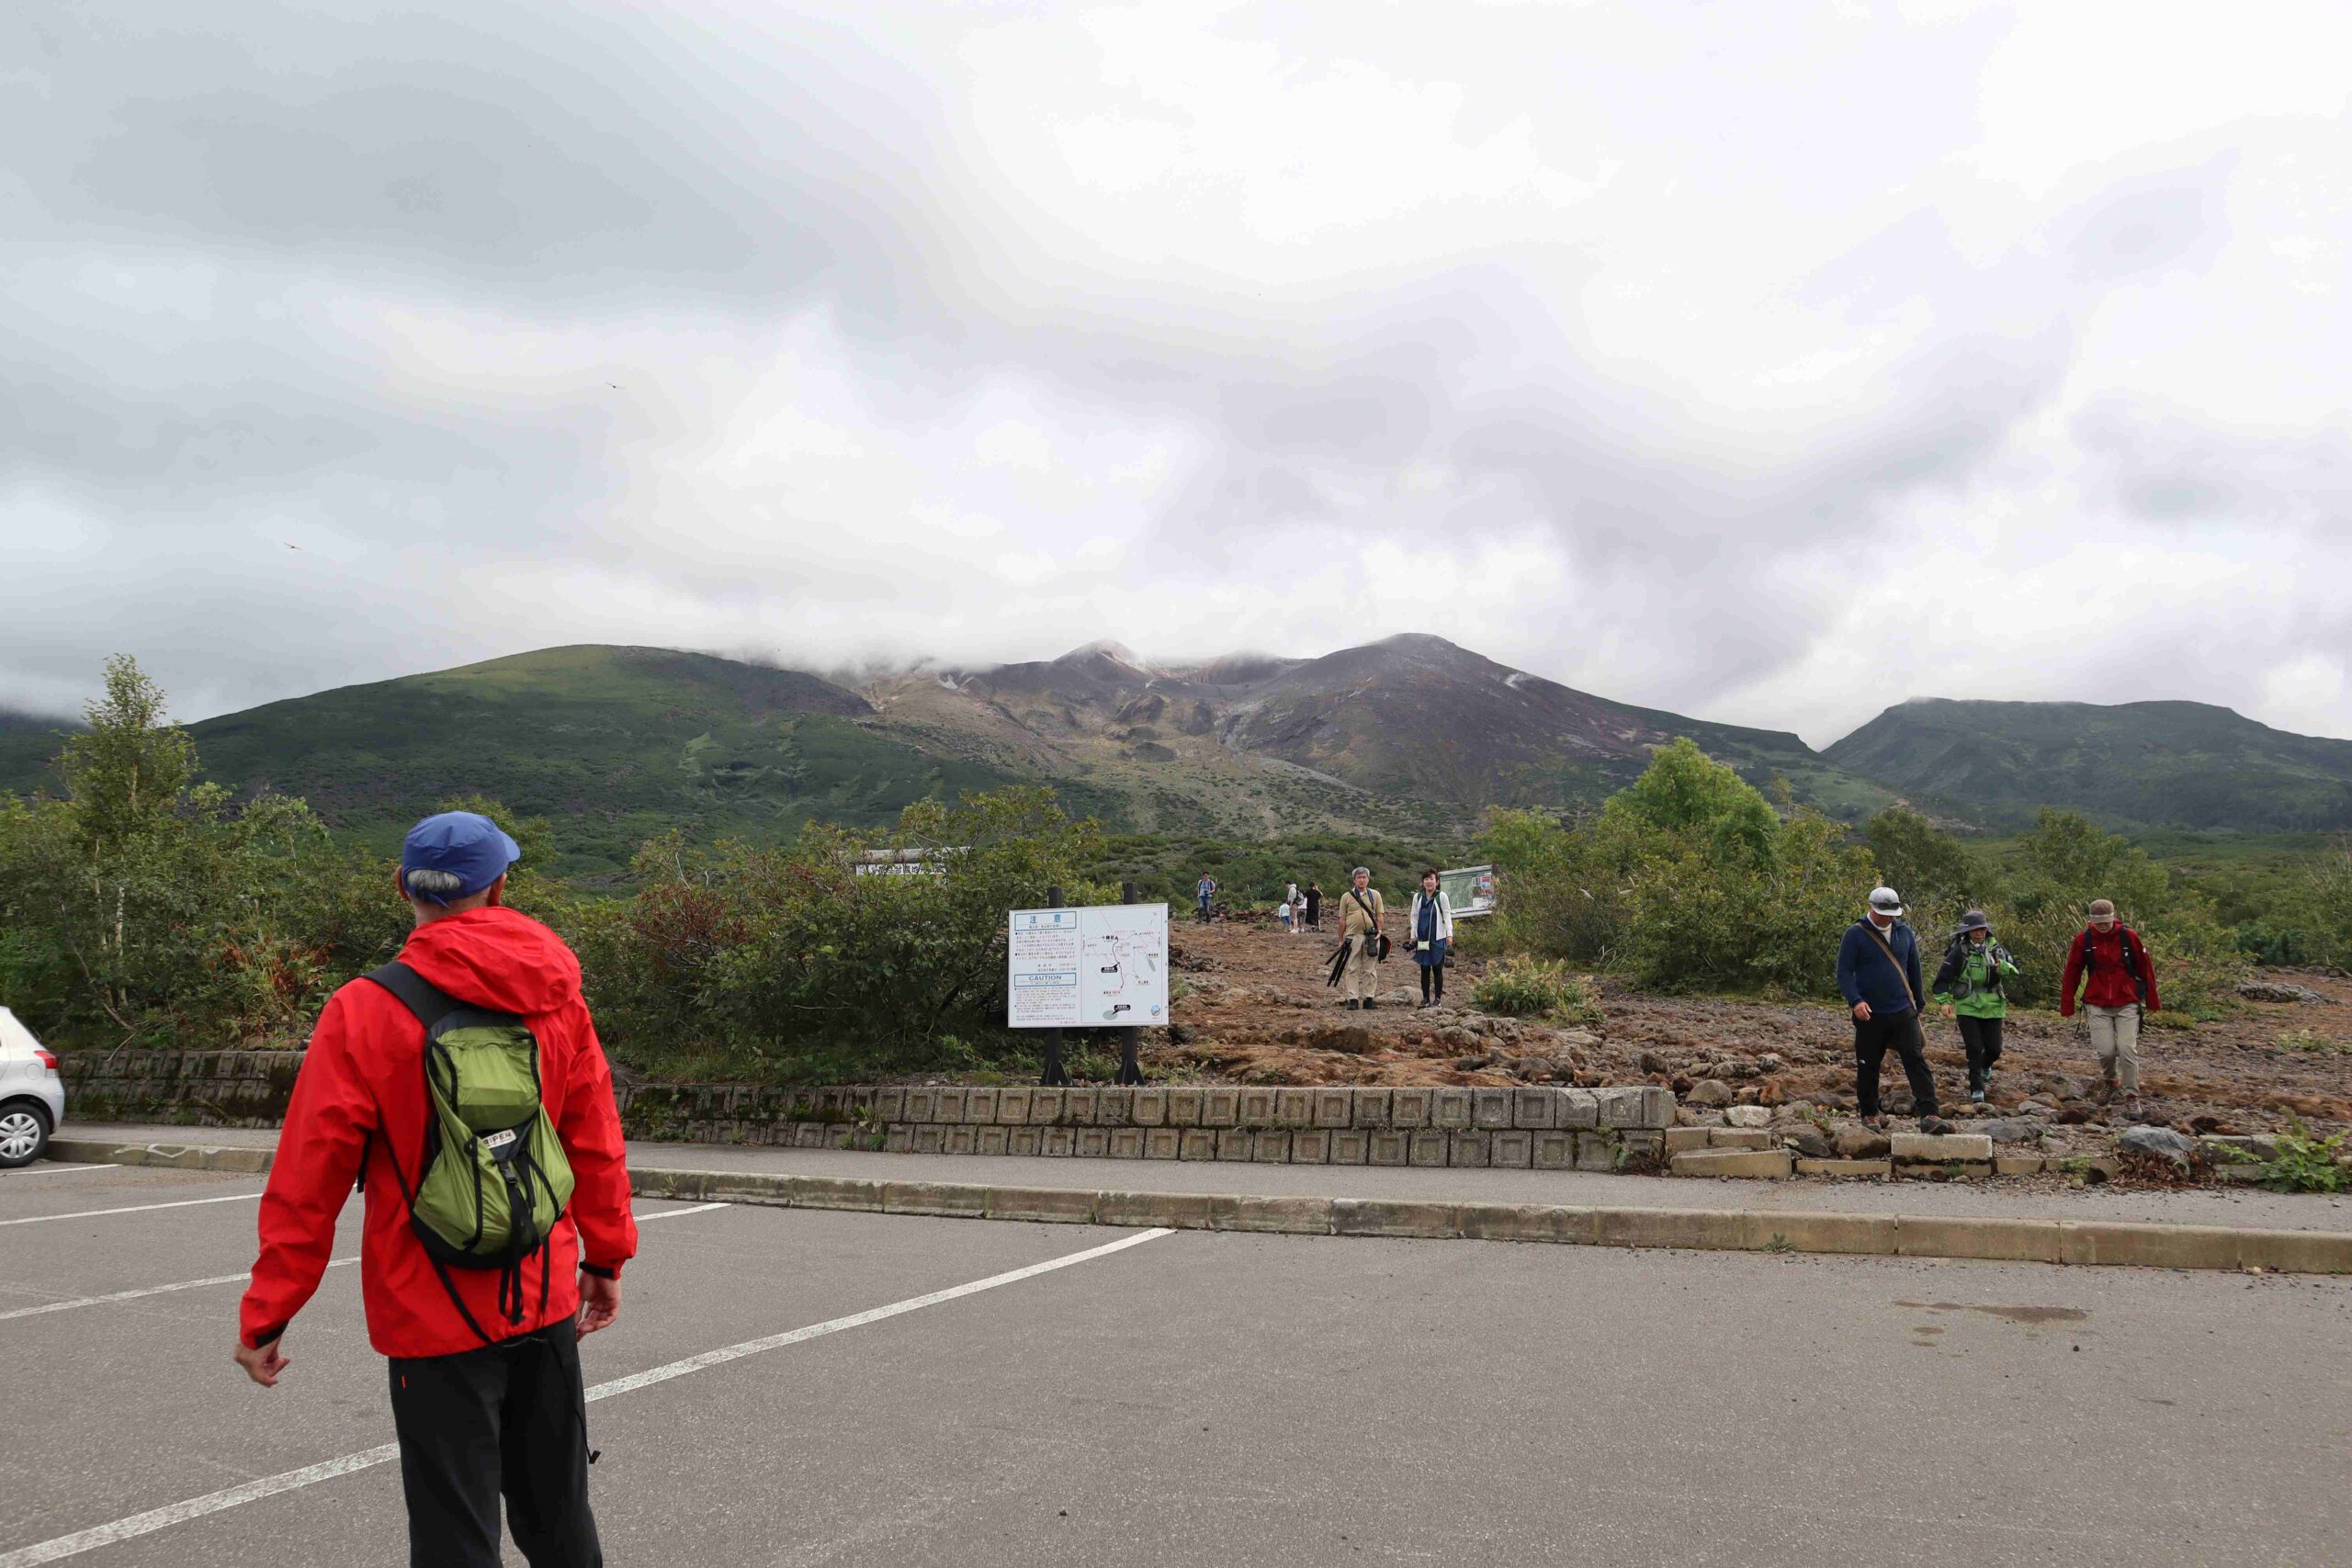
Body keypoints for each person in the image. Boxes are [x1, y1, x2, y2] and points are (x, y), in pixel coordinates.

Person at [235, 811, 637, 1568]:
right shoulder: (557, 995)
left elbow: (307, 1179)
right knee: (559, 1518)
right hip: (543, 1294)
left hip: (428, 1312)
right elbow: (595, 1140)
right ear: (500, 885)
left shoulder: (363, 1008)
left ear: (401, 888)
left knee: (454, 1534)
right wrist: (606, 1259)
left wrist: (268, 1313)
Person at [1835, 886, 1956, 1134]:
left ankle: (1930, 1114)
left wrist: (1919, 1004)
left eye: (1892, 913)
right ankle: (1869, 1114)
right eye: (1883, 913)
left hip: (1903, 1009)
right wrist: (1855, 1001)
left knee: (1916, 1059)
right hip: (1870, 1012)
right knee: (1868, 1064)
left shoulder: (1905, 932)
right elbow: (1844, 972)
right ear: (1871, 908)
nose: (1888, 918)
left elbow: (1914, 970)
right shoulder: (1855, 934)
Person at [2058, 897, 2161, 1114]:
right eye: (2099, 923)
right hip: (2096, 1003)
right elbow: (2072, 973)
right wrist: (2067, 1004)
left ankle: (2132, 1095)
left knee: (2126, 1049)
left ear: (2114, 918)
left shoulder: (2128, 937)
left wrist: (2152, 1000)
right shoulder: (2083, 941)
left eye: (2107, 922)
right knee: (2105, 1051)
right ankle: (2110, 1081)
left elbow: (2145, 968)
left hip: (2127, 1001)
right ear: (2092, 921)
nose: (2103, 926)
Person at [1932, 909, 2021, 1103]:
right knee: (1974, 1047)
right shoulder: (1959, 952)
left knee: (1994, 1048)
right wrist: (1945, 1002)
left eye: (1981, 929)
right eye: (1974, 930)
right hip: (1967, 1005)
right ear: (1967, 932)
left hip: (1994, 1005)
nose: (1978, 933)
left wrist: (2003, 967)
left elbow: (2016, 970)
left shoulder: (1997, 948)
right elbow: (1943, 979)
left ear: (1986, 929)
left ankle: (1986, 1066)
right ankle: (1976, 1088)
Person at [1337, 866, 1386, 1010]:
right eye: (1359, 877)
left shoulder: (1375, 895)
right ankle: (1352, 999)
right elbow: (1342, 919)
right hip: (1353, 936)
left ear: (1368, 879)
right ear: (1354, 880)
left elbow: (1379, 915)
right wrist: (1340, 939)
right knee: (1352, 968)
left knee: (1370, 969)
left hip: (1371, 937)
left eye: (1364, 877)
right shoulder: (1346, 897)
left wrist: (1379, 931)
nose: (1362, 880)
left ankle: (1368, 998)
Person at [1406, 868, 1454, 1008]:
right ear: (1423, 882)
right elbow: (1414, 916)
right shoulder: (1418, 897)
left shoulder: (1442, 896)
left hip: (1437, 938)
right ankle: (1425, 998)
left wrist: (1449, 934)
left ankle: (1438, 999)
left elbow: (1447, 915)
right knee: (1424, 968)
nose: (1429, 882)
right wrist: (1413, 936)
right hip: (1422, 938)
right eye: (1426, 879)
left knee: (1437, 968)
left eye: (1431, 879)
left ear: (1437, 882)